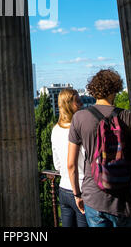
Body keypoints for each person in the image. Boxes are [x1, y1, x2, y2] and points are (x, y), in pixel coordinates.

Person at [68, 69, 131, 228]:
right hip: (123, 198)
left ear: (93, 89)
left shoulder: (79, 117)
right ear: (115, 89)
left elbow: (71, 165)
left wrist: (77, 195)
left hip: (94, 196)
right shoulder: (127, 116)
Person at [51, 89, 88, 227]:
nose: (82, 103)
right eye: (77, 101)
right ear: (68, 104)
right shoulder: (81, 129)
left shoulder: (55, 130)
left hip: (63, 188)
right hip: (82, 189)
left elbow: (58, 165)